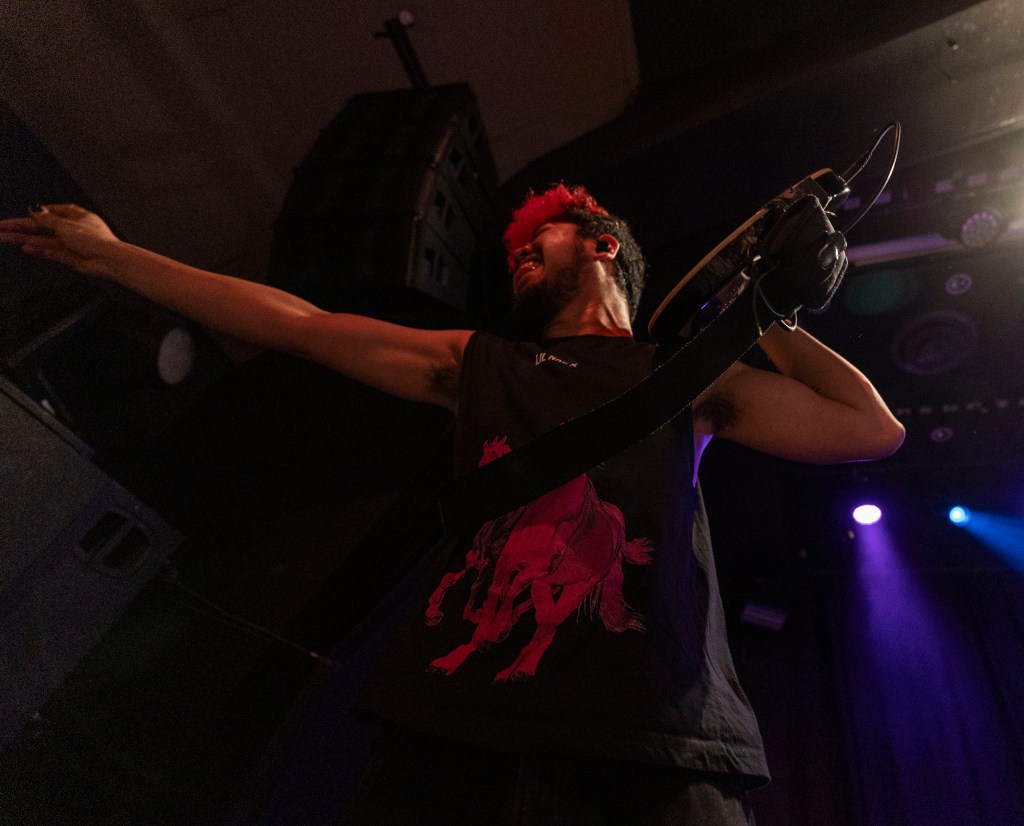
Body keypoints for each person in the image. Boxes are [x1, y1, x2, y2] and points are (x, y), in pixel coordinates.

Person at [0, 187, 904, 824]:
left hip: (657, 743)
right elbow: (296, 325)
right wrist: (112, 255)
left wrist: (767, 310)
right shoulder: (480, 361)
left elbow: (867, 429)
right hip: (455, 728)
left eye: (540, 238)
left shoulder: (688, 378)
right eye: (515, 250)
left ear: (600, 246)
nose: (518, 254)